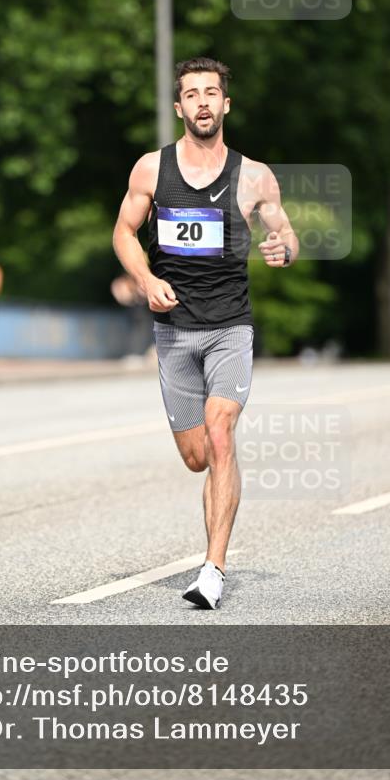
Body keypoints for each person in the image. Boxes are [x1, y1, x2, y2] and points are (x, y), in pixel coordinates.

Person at [112, 56, 299, 609]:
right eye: (191, 94)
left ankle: (212, 569)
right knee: (196, 456)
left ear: (225, 105)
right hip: (173, 331)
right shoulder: (151, 170)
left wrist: (282, 249)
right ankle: (213, 533)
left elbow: (284, 232)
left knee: (221, 436)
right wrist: (145, 278)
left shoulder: (255, 175)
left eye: (211, 93)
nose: (202, 102)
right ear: (179, 108)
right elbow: (123, 232)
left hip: (229, 328)